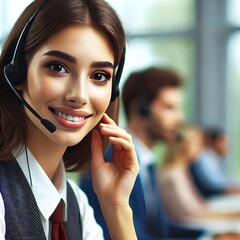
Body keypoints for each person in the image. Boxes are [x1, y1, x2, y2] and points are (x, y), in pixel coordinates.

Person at [0, 0, 140, 239]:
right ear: (18, 73)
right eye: (57, 67)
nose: (79, 95)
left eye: (99, 76)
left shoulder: (77, 206)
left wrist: (116, 208)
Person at [80, 67, 206, 239]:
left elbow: (161, 229)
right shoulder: (110, 159)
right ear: (141, 108)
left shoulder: (148, 162)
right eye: (170, 108)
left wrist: (208, 235)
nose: (180, 118)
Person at [158, 124, 240, 227]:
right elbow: (190, 215)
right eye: (199, 144)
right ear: (185, 145)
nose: (202, 149)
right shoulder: (172, 176)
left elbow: (197, 210)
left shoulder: (181, 172)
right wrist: (232, 215)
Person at [190, 127, 240, 199]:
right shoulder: (204, 158)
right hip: (209, 200)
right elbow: (212, 186)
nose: (229, 147)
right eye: (226, 143)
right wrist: (233, 189)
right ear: (218, 142)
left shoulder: (211, 159)